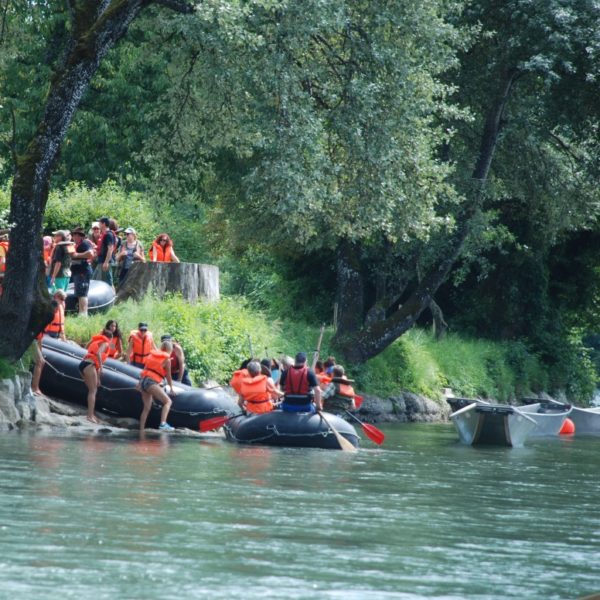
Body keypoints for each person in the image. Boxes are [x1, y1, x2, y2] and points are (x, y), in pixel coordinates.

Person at [138, 338, 178, 431]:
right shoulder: (167, 359)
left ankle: (141, 430)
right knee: (168, 401)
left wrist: (139, 383)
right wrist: (171, 388)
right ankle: (163, 424)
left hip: (144, 381)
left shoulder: (152, 356)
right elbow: (168, 376)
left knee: (146, 408)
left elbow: (145, 370)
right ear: (169, 349)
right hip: (151, 383)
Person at [79, 328, 112, 423]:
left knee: (92, 390)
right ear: (110, 338)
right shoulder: (105, 343)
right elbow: (98, 354)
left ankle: (91, 414)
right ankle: (89, 416)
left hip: (83, 365)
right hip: (89, 365)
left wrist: (98, 378)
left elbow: (94, 359)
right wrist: (102, 367)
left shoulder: (98, 341)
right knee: (93, 391)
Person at [69, 226, 95, 316]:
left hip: (83, 272)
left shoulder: (85, 243)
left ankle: (84, 314)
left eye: (74, 235)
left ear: (78, 236)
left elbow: (91, 254)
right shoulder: (77, 244)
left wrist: (76, 255)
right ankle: (81, 313)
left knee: (83, 293)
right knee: (79, 293)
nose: (73, 237)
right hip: (78, 272)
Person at [92, 216, 116, 288]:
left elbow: (110, 248)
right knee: (95, 280)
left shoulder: (108, 234)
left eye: (99, 222)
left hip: (105, 262)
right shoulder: (104, 234)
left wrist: (106, 262)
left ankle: (113, 297)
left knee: (108, 282)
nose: (98, 224)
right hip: (101, 261)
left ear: (104, 224)